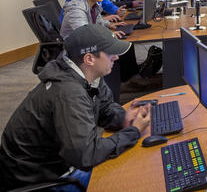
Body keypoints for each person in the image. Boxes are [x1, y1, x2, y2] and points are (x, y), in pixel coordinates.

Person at [0, 23, 151, 190]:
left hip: (56, 163)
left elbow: (104, 107)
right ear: (89, 59)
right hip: (39, 179)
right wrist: (133, 131)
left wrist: (124, 118)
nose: (115, 57)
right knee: (125, 178)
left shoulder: (88, 75)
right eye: (109, 53)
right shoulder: (68, 93)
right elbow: (86, 155)